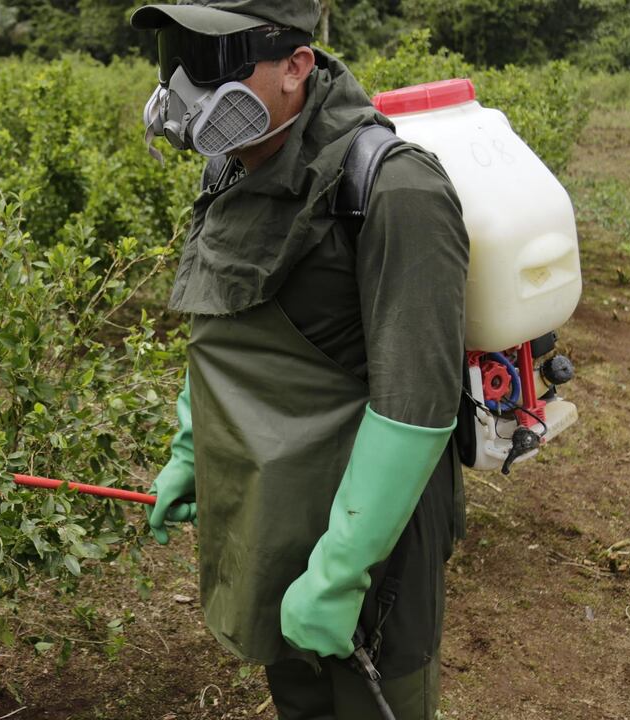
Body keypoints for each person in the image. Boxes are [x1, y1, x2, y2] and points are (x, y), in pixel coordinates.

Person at [132, 1, 470, 718]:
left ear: (296, 65)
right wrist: (192, 451)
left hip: (376, 533)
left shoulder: (395, 188)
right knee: (297, 695)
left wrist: (342, 570)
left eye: (213, 59)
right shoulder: (228, 168)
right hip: (274, 503)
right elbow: (224, 318)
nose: (185, 87)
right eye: (174, 56)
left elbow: (417, 404)